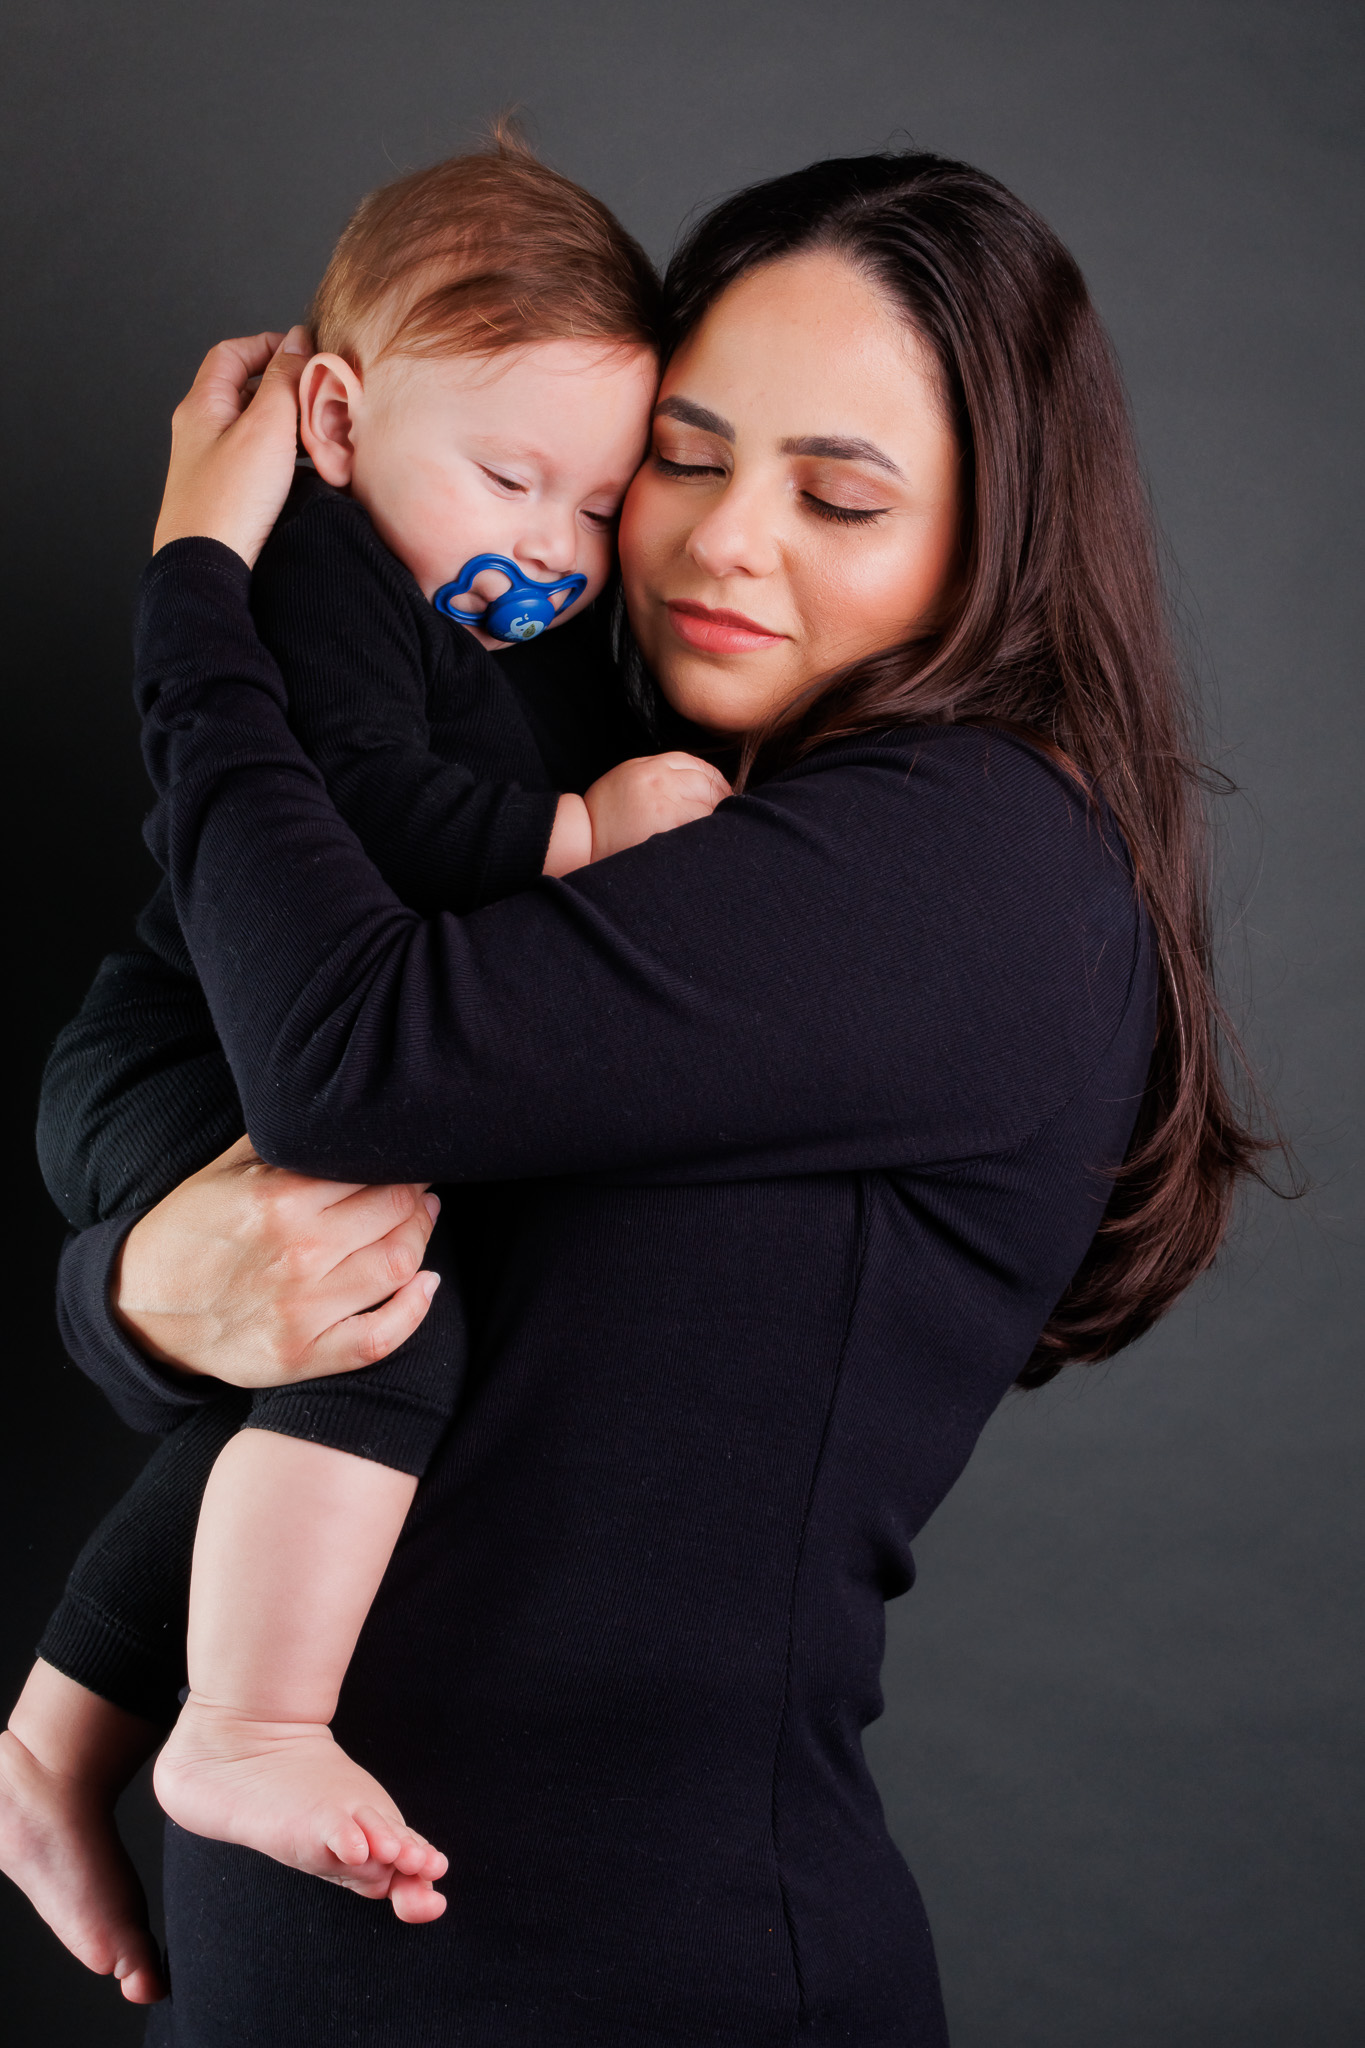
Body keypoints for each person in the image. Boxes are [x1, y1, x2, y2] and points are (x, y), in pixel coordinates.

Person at [17, 152, 1272, 2044]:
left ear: (990, 538)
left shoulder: (969, 863)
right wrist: (133, 1295)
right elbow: (278, 1187)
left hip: (609, 1969)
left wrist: (199, 584)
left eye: (838, 492)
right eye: (677, 460)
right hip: (294, 1961)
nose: (716, 541)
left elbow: (340, 1068)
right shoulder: (610, 763)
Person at [2, 135, 731, 1988]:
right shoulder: (321, 573)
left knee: (336, 1340)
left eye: (595, 503)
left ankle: (46, 1742)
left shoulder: (526, 608)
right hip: (168, 1057)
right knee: (391, 1308)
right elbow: (358, 812)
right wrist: (576, 841)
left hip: (260, 1065)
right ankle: (241, 1723)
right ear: (333, 417)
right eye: (508, 479)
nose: (551, 553)